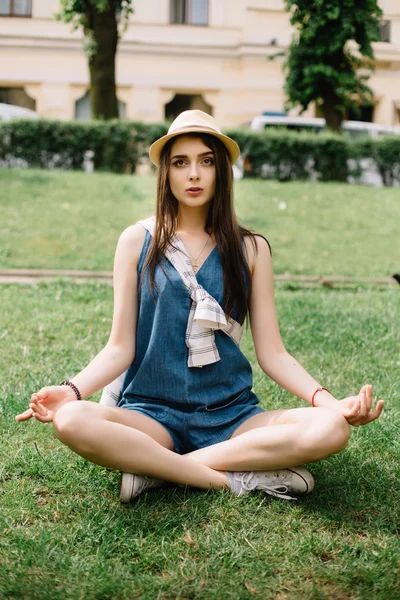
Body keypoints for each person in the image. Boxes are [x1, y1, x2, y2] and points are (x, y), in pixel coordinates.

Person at [15, 110, 384, 503]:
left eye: (206, 161)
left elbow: (273, 354)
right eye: (180, 162)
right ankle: (231, 479)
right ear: (167, 174)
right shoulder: (136, 241)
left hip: (232, 416)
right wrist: (71, 391)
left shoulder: (251, 249)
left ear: (221, 172)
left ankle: (157, 469)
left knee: (331, 430)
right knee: (72, 419)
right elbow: (120, 348)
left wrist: (332, 404)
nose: (193, 174)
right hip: (151, 416)